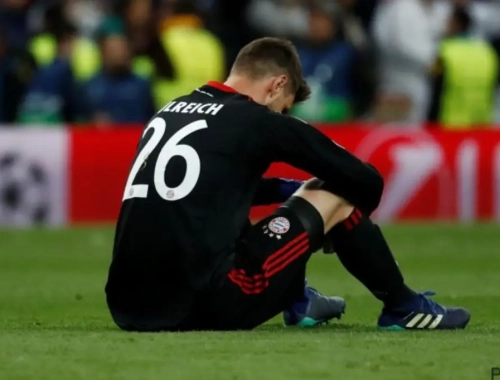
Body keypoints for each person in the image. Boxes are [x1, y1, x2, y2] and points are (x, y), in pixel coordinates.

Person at [105, 37, 470, 332]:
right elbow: (364, 179)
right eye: (284, 107)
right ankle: (403, 306)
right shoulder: (256, 120)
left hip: (126, 303)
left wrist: (287, 189)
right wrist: (336, 223)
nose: (280, 115)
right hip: (205, 304)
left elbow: (208, 187)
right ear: (277, 84)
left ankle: (298, 299)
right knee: (333, 195)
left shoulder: (170, 110)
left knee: (231, 211)